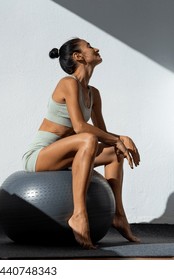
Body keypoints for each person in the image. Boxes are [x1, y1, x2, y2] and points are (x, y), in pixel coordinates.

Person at [21, 38, 141, 249]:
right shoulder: (67, 83)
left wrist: (120, 140)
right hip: (40, 156)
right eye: (89, 46)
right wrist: (119, 138)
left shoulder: (93, 94)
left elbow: (102, 134)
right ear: (78, 57)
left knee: (114, 151)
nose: (96, 48)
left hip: (71, 155)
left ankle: (118, 215)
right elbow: (80, 127)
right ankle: (78, 214)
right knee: (89, 138)